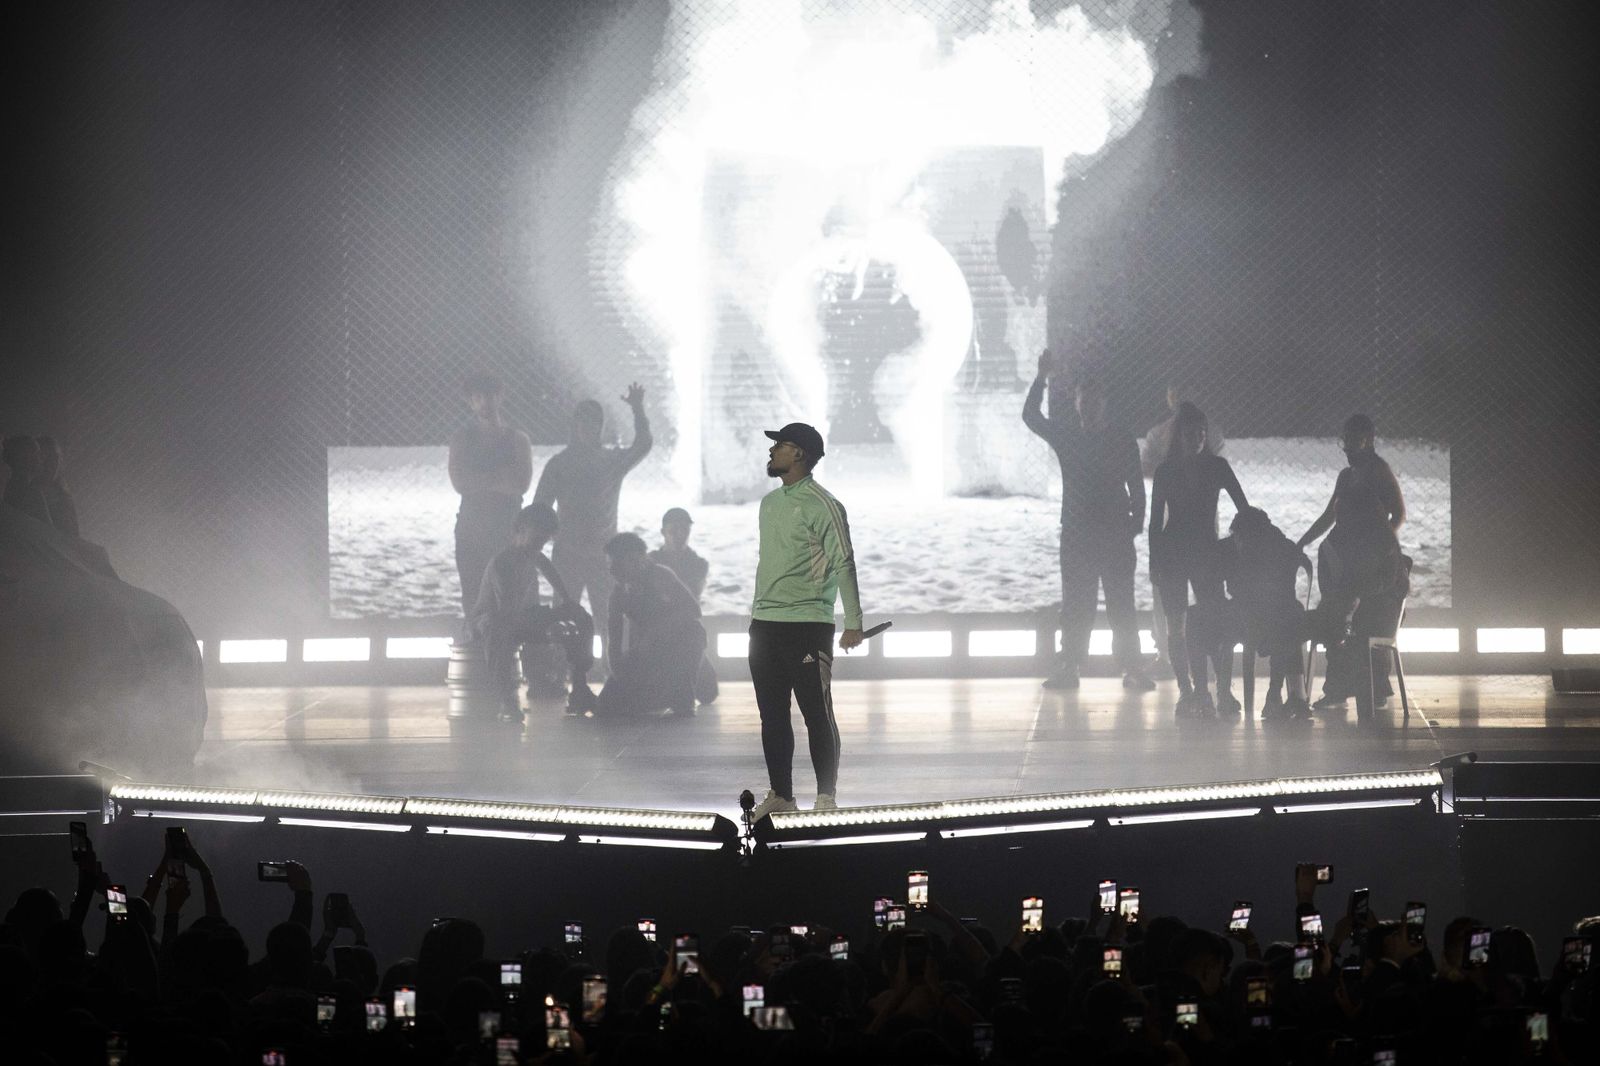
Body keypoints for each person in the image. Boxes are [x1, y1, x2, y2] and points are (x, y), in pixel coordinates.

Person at [747, 422, 866, 819]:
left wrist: (853, 621)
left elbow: (843, 562)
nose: (771, 452)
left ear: (798, 453)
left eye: (779, 445)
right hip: (765, 623)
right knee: (772, 715)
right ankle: (782, 793)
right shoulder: (769, 503)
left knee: (817, 711)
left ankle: (826, 796)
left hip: (808, 624)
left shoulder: (822, 503)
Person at [1022, 353, 1154, 692]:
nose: (1090, 406)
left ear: (1103, 404)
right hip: (1083, 534)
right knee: (1079, 603)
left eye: (1094, 400)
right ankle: (1073, 664)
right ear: (1078, 404)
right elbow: (1031, 417)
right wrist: (1041, 378)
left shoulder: (1113, 439)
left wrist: (1134, 524)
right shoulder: (1072, 437)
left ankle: (1127, 666)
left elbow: (1136, 486)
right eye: (1085, 400)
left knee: (1119, 603)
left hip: (1107, 534)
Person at [1296, 414, 1407, 715]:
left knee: (1362, 615)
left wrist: (1379, 547)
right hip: (1346, 564)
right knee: (1333, 612)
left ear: (1368, 439)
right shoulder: (1346, 477)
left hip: (1371, 568)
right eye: (1344, 440)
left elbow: (1397, 514)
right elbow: (1329, 515)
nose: (1346, 446)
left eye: (1353, 439)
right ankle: (1338, 688)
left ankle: (1371, 687)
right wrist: (1302, 541)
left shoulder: (1379, 471)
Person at [533, 384, 652, 658]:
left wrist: (637, 409)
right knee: (563, 617)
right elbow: (540, 508)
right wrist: (549, 538)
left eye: (595, 422)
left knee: (609, 617)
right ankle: (560, 674)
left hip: (605, 557)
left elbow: (643, 445)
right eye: (584, 421)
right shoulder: (559, 464)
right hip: (568, 555)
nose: (589, 427)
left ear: (600, 425)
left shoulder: (612, 461)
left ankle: (614, 673)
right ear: (575, 425)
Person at [1149, 402, 1249, 718]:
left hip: (1203, 552)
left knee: (1216, 623)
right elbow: (1154, 522)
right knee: (1176, 626)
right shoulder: (1169, 471)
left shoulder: (1215, 467)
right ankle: (1188, 691)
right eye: (1191, 433)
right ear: (1180, 436)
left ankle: (1220, 690)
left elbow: (1244, 510)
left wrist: (1237, 545)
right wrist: (1155, 560)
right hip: (1179, 553)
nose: (1197, 439)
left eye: (1202, 433)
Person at [470, 503, 598, 721]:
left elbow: (548, 568)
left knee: (582, 618)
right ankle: (507, 699)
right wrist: (544, 621)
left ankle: (579, 686)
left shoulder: (533, 554)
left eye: (544, 541)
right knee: (498, 629)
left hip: (522, 617)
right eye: (537, 539)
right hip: (495, 619)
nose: (540, 545)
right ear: (519, 530)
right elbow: (506, 610)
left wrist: (568, 602)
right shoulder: (503, 563)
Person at [1188, 507, 1312, 721]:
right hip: (1262, 618)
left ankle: (1208, 693)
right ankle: (1276, 696)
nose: (1238, 542)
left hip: (1253, 618)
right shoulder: (1280, 548)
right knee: (1292, 615)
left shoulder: (1249, 548)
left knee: (1197, 617)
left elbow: (1210, 586)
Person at [1142, 379, 1225, 677]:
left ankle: (1201, 657)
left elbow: (1213, 462)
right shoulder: (1159, 433)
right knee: (1168, 595)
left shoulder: (1206, 431)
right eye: (1174, 392)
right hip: (1170, 521)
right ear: (1167, 397)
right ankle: (1166, 654)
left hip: (1200, 526)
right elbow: (1147, 467)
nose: (1178, 398)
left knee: (1204, 596)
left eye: (1185, 392)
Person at [448, 372, 533, 623]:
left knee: (512, 596)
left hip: (507, 529)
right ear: (470, 402)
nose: (484, 402)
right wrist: (499, 478)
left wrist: (480, 479)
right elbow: (460, 483)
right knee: (473, 597)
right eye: (477, 397)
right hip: (472, 529)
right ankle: (477, 648)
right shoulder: (461, 439)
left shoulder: (518, 439)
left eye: (489, 396)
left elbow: (521, 485)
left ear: (500, 397)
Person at [598, 532, 707, 717]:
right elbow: (614, 637)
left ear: (635, 560)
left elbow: (693, 611)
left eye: (616, 564)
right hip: (646, 650)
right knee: (606, 705)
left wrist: (657, 632)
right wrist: (618, 672)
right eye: (610, 565)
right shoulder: (619, 593)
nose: (612, 570)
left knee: (694, 632)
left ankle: (688, 685)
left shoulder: (661, 576)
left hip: (678, 647)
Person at [649, 507, 719, 704]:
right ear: (663, 532)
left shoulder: (698, 564)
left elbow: (690, 598)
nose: (680, 535)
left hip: (684, 628)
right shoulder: (652, 561)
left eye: (684, 530)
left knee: (707, 693)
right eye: (674, 530)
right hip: (657, 627)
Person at [35, 436, 80, 538]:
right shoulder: (32, 492)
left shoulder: (63, 492)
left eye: (55, 458)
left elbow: (74, 530)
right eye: (46, 458)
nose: (51, 464)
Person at [2, 435, 52, 526]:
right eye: (37, 453)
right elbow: (49, 534)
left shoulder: (9, 486)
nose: (42, 459)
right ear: (26, 458)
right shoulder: (32, 493)